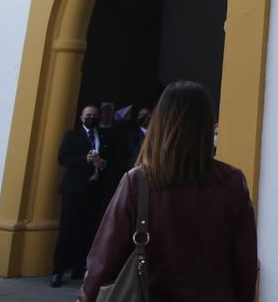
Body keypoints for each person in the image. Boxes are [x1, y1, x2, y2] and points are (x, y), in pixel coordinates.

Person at [80, 81, 257, 302]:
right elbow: (245, 263)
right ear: (207, 125)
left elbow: (103, 261)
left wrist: (85, 297)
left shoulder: (138, 181)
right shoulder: (232, 182)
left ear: (160, 122)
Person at [50, 104, 111, 287]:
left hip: (94, 189)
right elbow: (62, 158)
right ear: (82, 117)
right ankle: (58, 271)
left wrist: (103, 163)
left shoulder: (104, 136)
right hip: (73, 190)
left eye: (94, 115)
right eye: (88, 115)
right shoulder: (72, 135)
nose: (91, 117)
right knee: (67, 229)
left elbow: (112, 160)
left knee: (88, 231)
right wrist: (83, 159)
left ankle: (80, 268)